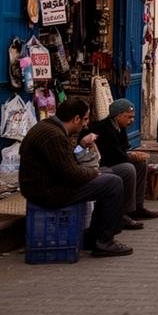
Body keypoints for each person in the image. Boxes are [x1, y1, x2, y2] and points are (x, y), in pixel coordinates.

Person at [19, 98, 131, 257]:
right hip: (47, 191)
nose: (86, 125)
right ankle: (105, 241)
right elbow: (71, 174)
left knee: (109, 177)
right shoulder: (53, 135)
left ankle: (95, 237)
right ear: (76, 119)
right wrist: (93, 173)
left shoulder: (50, 128)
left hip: (50, 184)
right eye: (85, 119)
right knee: (112, 183)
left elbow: (67, 165)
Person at [86, 99, 158, 230]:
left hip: (114, 162)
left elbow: (123, 150)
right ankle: (124, 214)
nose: (131, 120)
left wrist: (132, 155)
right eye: (129, 117)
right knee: (128, 168)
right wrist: (129, 156)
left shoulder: (120, 127)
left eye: (132, 117)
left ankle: (137, 207)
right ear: (118, 116)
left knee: (141, 164)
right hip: (101, 166)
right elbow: (111, 156)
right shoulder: (103, 129)